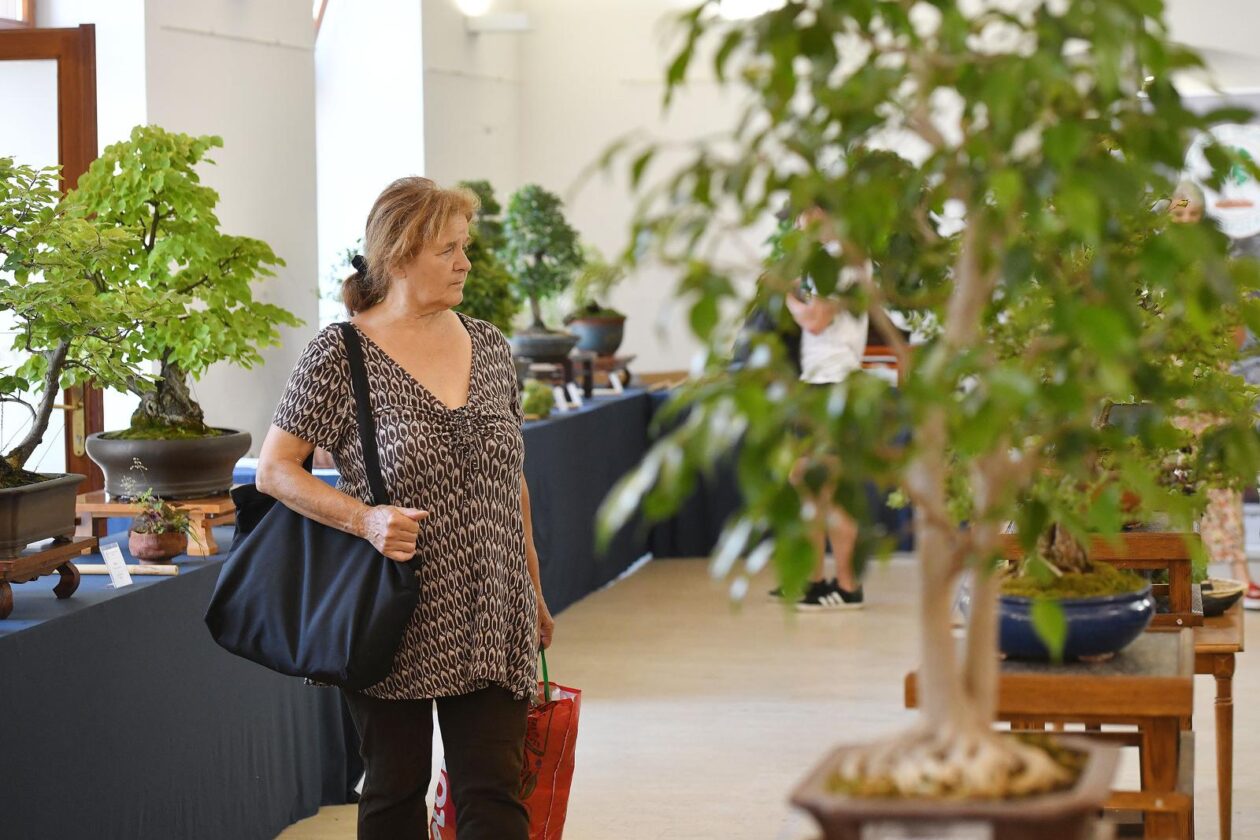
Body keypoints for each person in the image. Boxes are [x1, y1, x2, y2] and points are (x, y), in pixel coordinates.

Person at [256, 176, 554, 839]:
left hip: (492, 608)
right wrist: (365, 519)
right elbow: (274, 471)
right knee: (394, 791)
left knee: (496, 795)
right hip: (392, 611)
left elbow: (513, 478)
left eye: (464, 247)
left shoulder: (493, 347)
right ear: (398, 254)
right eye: (448, 249)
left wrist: (532, 588)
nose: (465, 263)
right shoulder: (340, 354)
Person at [1170, 179, 1260, 608]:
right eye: (1179, 214)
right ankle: (1183, 572)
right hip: (1170, 387)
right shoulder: (1153, 268)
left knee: (1222, 476)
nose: (1187, 221)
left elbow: (1239, 324)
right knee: (1175, 476)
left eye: (1193, 214)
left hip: (1212, 380)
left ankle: (1239, 570)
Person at [780, 207, 868, 610]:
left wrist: (787, 295)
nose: (798, 223)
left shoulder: (845, 258)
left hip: (835, 385)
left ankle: (847, 586)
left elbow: (816, 319)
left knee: (829, 489)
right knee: (806, 483)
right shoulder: (823, 261)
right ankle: (814, 580)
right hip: (816, 383)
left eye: (802, 213)